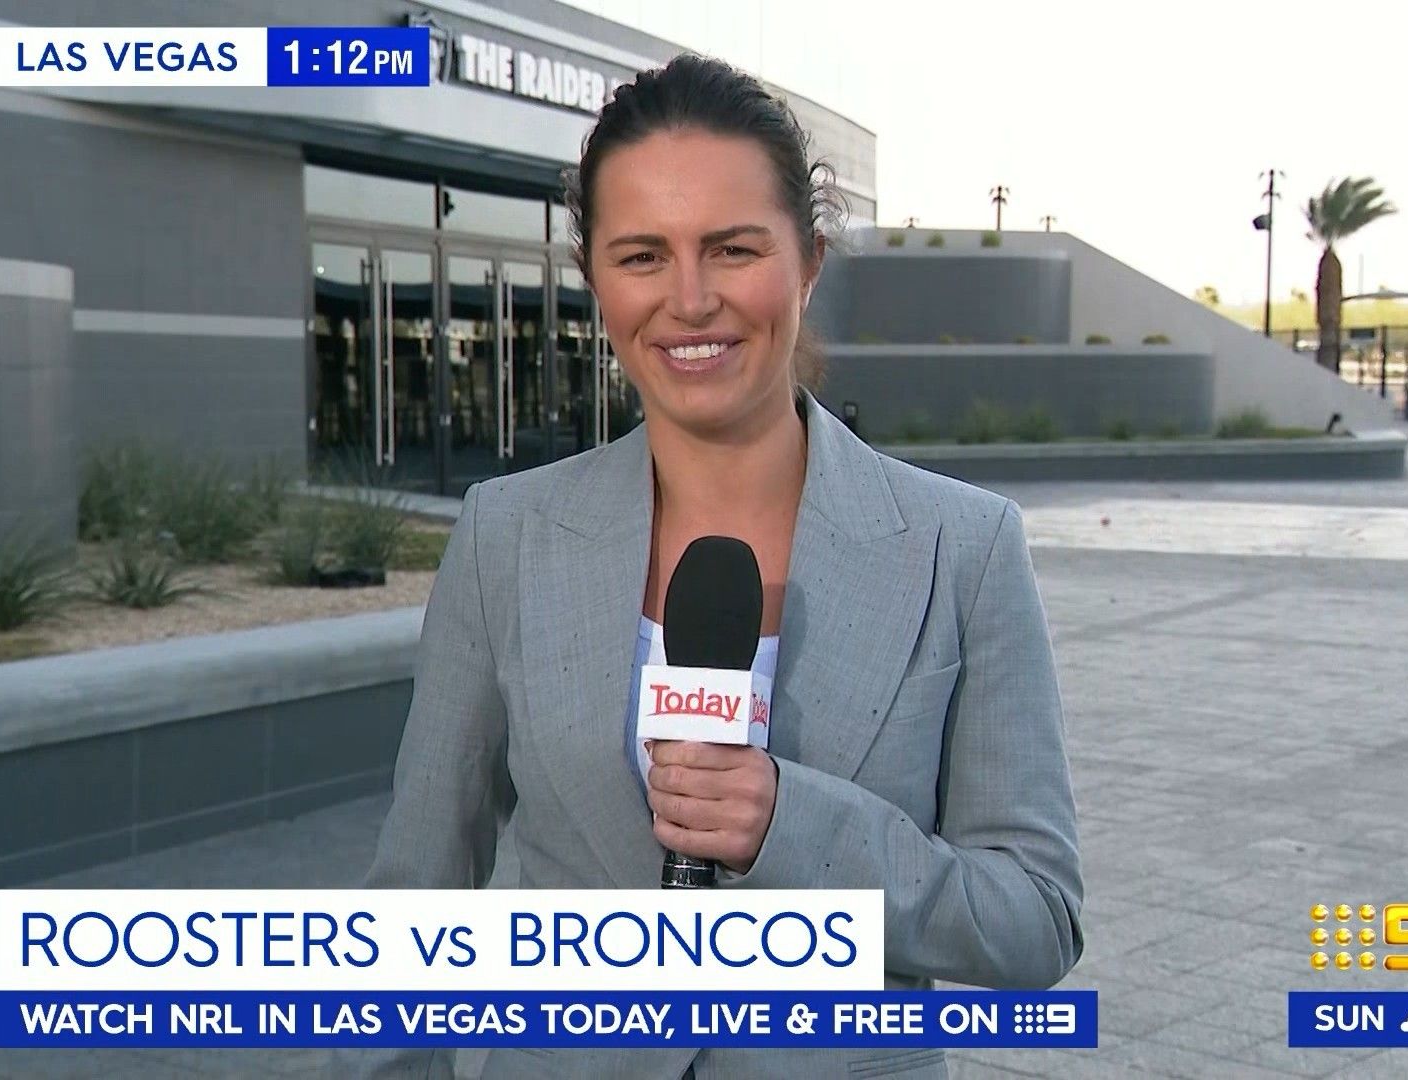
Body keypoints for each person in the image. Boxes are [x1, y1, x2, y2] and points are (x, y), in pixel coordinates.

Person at [353, 53, 1082, 1079]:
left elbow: (1036, 920)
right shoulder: (504, 535)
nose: (690, 300)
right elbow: (416, 900)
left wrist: (796, 824)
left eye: (732, 249)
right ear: (596, 277)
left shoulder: (962, 549)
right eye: (643, 256)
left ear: (809, 261)